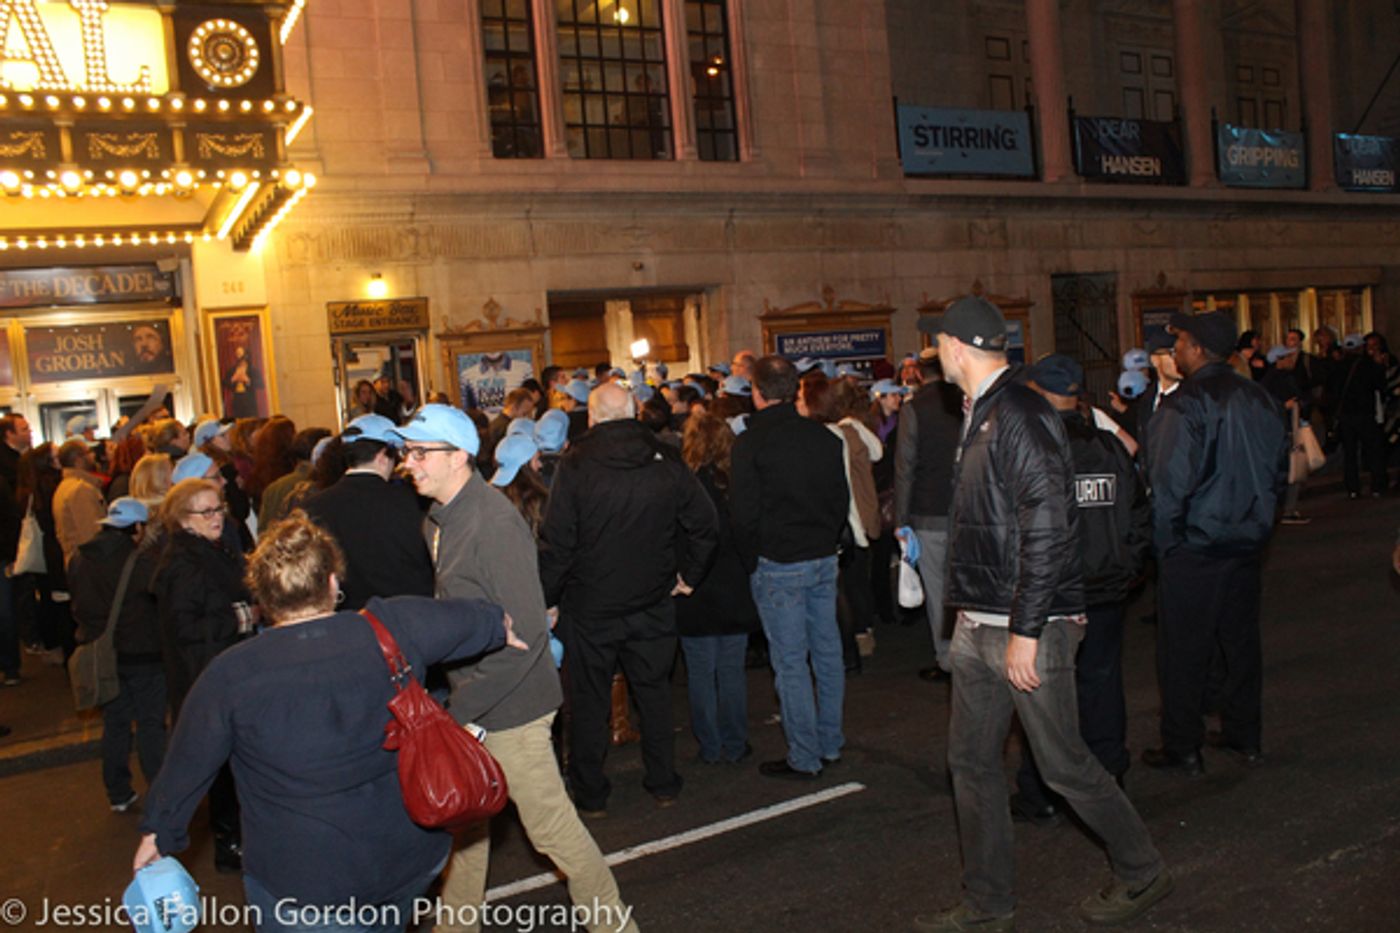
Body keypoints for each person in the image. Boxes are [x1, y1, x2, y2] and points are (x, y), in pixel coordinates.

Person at [135, 515, 523, 933]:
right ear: (334, 583)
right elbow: (483, 619)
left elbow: (187, 764)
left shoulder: (231, 676)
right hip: (406, 858)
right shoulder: (393, 627)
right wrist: (501, 630)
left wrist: (158, 835)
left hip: (304, 881)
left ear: (262, 599)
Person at [915, 296, 1170, 931]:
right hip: (981, 619)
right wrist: (969, 616)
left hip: (1028, 624)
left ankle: (1143, 870)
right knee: (970, 764)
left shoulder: (1020, 414)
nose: (929, 352)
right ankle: (987, 902)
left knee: (1062, 765)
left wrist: (1026, 631)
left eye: (935, 341)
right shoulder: (984, 411)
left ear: (957, 346)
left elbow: (1050, 529)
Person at [393, 404, 637, 933]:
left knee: (552, 831)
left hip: (513, 708)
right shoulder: (438, 520)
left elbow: (524, 639)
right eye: (405, 452)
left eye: (418, 452)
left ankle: (615, 928)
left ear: (459, 457)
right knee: (466, 830)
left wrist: (462, 713)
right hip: (479, 701)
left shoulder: (493, 523)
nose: (407, 463)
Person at [539, 382, 718, 811]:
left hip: (591, 605)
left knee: (589, 701)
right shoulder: (667, 459)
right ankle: (662, 783)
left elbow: (557, 541)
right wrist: (688, 576)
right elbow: (705, 523)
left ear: (594, 417)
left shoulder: (575, 464)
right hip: (651, 601)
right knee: (653, 695)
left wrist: (548, 596)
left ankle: (591, 791)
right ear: (635, 413)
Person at [1144, 311, 1288, 775]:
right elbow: (1277, 472)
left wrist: (1166, 549)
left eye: (1181, 341)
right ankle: (1244, 731)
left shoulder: (1185, 404)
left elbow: (1168, 485)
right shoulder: (1259, 397)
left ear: (1199, 348)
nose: (1176, 350)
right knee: (1240, 644)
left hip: (1197, 546)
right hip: (1246, 541)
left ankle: (1182, 745)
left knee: (1184, 652)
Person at [1011, 355, 1150, 825]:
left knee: (1045, 696)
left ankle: (1042, 790)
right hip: (1108, 588)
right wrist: (1128, 567)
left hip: (1057, 593)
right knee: (1102, 683)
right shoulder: (1111, 447)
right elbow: (1140, 515)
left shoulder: (1036, 450)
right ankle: (1111, 775)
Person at [730, 355, 849, 779]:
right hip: (821, 556)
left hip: (778, 563)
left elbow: (742, 514)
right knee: (827, 652)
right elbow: (840, 501)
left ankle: (805, 754)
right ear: (796, 390)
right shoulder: (826, 439)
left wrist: (752, 561)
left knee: (792, 662)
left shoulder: (750, 443)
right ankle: (830, 741)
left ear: (757, 392)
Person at [151, 477, 252, 873]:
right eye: (206, 511)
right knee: (220, 765)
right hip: (204, 674)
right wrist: (243, 615)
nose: (216, 517)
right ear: (183, 520)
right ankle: (228, 841)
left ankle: (236, 836)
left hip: (221, 666)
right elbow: (186, 628)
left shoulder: (210, 550)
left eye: (218, 508)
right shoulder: (183, 563)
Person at [70, 498, 165, 813]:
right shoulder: (142, 563)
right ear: (137, 528)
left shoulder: (79, 559)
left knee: (116, 723)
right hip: (144, 654)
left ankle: (118, 793)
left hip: (104, 656)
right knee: (151, 724)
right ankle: (161, 791)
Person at [677, 411, 759, 764]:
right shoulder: (736, 483)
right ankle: (736, 742)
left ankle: (710, 746)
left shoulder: (683, 486)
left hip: (693, 587)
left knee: (700, 672)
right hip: (733, 585)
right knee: (730, 670)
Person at [303, 415, 433, 610]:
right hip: (409, 618)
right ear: (382, 457)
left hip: (346, 625)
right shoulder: (413, 503)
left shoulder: (312, 508)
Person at [893, 349, 964, 680]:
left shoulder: (914, 410)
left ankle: (947, 659)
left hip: (928, 512)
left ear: (920, 374)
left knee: (937, 592)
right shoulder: (968, 402)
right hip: (968, 511)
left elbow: (905, 468)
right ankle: (973, 655)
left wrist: (901, 520)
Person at [52, 438, 106, 568]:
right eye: (88, 452)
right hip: (89, 567)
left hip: (78, 564)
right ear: (78, 460)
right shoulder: (80, 490)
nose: (93, 455)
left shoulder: (65, 486)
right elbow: (91, 534)